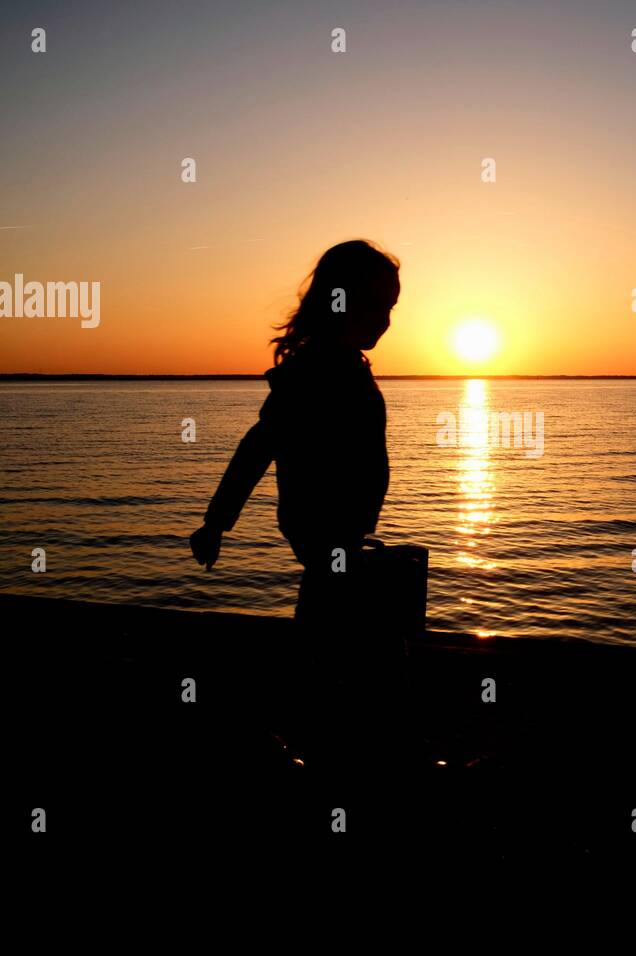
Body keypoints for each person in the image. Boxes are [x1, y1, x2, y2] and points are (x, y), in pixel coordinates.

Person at [189, 240, 403, 771]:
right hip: (326, 537)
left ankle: (329, 743)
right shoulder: (315, 370)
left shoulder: (347, 365)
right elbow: (258, 446)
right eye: (379, 305)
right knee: (346, 647)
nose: (387, 320)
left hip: (342, 540)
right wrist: (216, 523)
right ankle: (329, 754)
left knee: (342, 637)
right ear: (341, 300)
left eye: (392, 308)